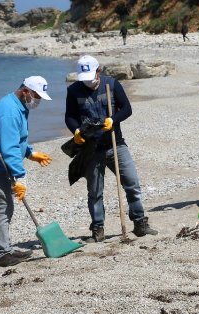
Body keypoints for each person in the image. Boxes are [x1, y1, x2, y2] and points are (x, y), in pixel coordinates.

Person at [65, 55, 157, 242]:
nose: (88, 83)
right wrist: (75, 130)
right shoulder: (73, 90)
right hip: (91, 148)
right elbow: (70, 116)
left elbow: (127, 109)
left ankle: (140, 223)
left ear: (98, 71)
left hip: (115, 144)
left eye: (91, 77)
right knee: (95, 192)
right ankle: (98, 229)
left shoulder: (112, 85)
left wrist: (113, 119)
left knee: (132, 184)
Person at [0, 76, 53, 267]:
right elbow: (8, 148)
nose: (38, 100)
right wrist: (20, 176)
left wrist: (29, 152)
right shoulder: (8, 111)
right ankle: (2, 253)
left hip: (1, 166)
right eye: (36, 95)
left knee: (6, 206)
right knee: (2, 207)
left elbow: (16, 139)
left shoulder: (18, 106)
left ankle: (6, 247)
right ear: (25, 91)